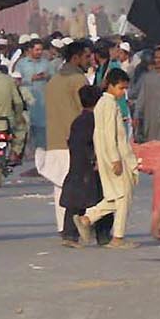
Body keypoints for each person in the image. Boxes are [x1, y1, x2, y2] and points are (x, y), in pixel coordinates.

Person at [85, 67, 140, 247]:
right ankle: (118, 237)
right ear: (110, 85)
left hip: (107, 156)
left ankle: (88, 218)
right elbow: (109, 134)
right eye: (121, 88)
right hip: (115, 157)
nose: (122, 92)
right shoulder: (108, 104)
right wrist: (115, 159)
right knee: (123, 196)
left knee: (116, 196)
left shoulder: (102, 103)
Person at [38, 39, 89, 231]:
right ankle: (75, 227)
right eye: (86, 56)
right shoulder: (78, 80)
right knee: (78, 185)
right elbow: (86, 110)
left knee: (60, 186)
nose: (89, 60)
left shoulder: (53, 80)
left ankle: (63, 228)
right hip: (74, 141)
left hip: (55, 140)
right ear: (75, 58)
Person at [58, 84, 103, 247]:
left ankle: (70, 235)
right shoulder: (92, 120)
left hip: (77, 164)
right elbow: (88, 143)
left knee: (75, 202)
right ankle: (102, 235)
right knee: (99, 199)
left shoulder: (79, 120)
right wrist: (94, 159)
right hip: (88, 166)